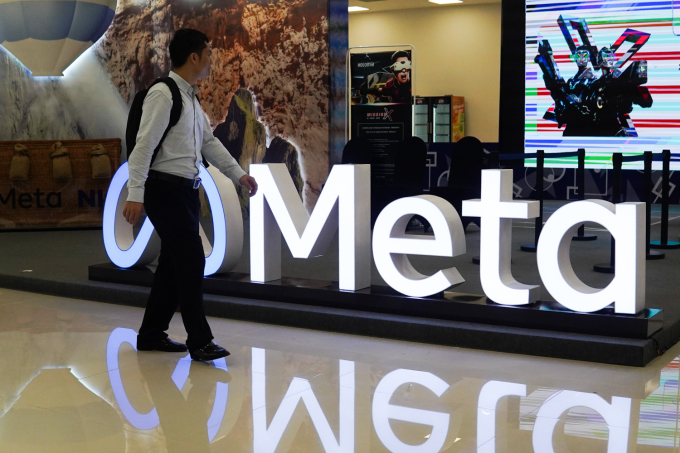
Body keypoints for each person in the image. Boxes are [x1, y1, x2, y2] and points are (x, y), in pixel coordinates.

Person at [122, 29, 258, 361]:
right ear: (193, 57)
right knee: (192, 258)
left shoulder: (190, 98)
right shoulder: (164, 94)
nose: (212, 59)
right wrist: (135, 194)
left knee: (173, 262)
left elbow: (209, 143)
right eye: (208, 53)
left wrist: (238, 174)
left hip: (184, 191)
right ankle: (199, 340)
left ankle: (151, 334)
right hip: (163, 189)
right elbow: (143, 148)